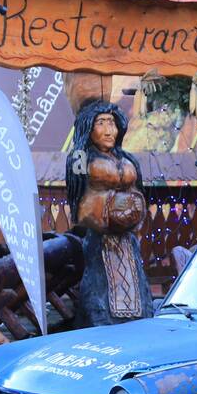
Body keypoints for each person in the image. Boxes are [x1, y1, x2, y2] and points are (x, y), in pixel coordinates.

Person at [66, 100, 153, 325]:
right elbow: (78, 198)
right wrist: (109, 210)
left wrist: (133, 211)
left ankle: (138, 320)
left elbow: (138, 191)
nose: (108, 130)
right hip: (100, 237)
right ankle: (101, 324)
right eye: (101, 123)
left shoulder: (127, 158)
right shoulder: (80, 157)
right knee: (99, 291)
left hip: (126, 238)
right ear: (88, 127)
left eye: (112, 123)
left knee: (136, 287)